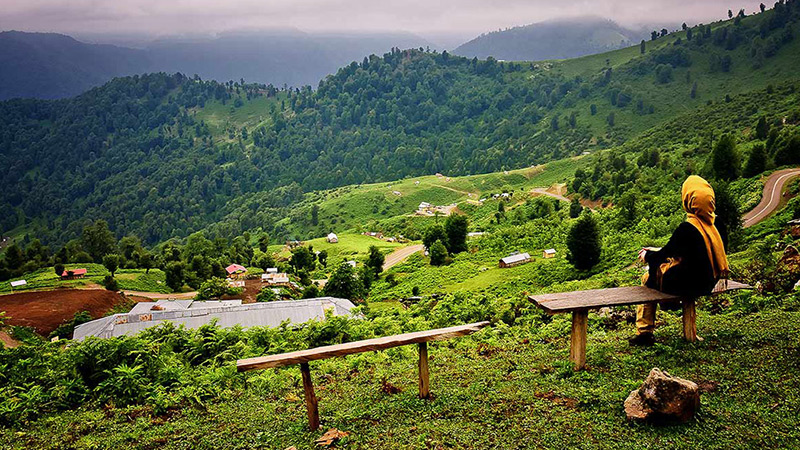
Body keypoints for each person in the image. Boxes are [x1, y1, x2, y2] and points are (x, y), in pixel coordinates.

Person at [629, 175, 729, 346]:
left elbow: (665, 255)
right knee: (669, 271)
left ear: (688, 200)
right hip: (708, 282)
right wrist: (659, 250)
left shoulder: (687, 228)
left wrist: (647, 256)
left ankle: (644, 332)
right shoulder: (717, 224)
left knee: (647, 277)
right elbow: (686, 251)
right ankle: (680, 318)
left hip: (687, 284)